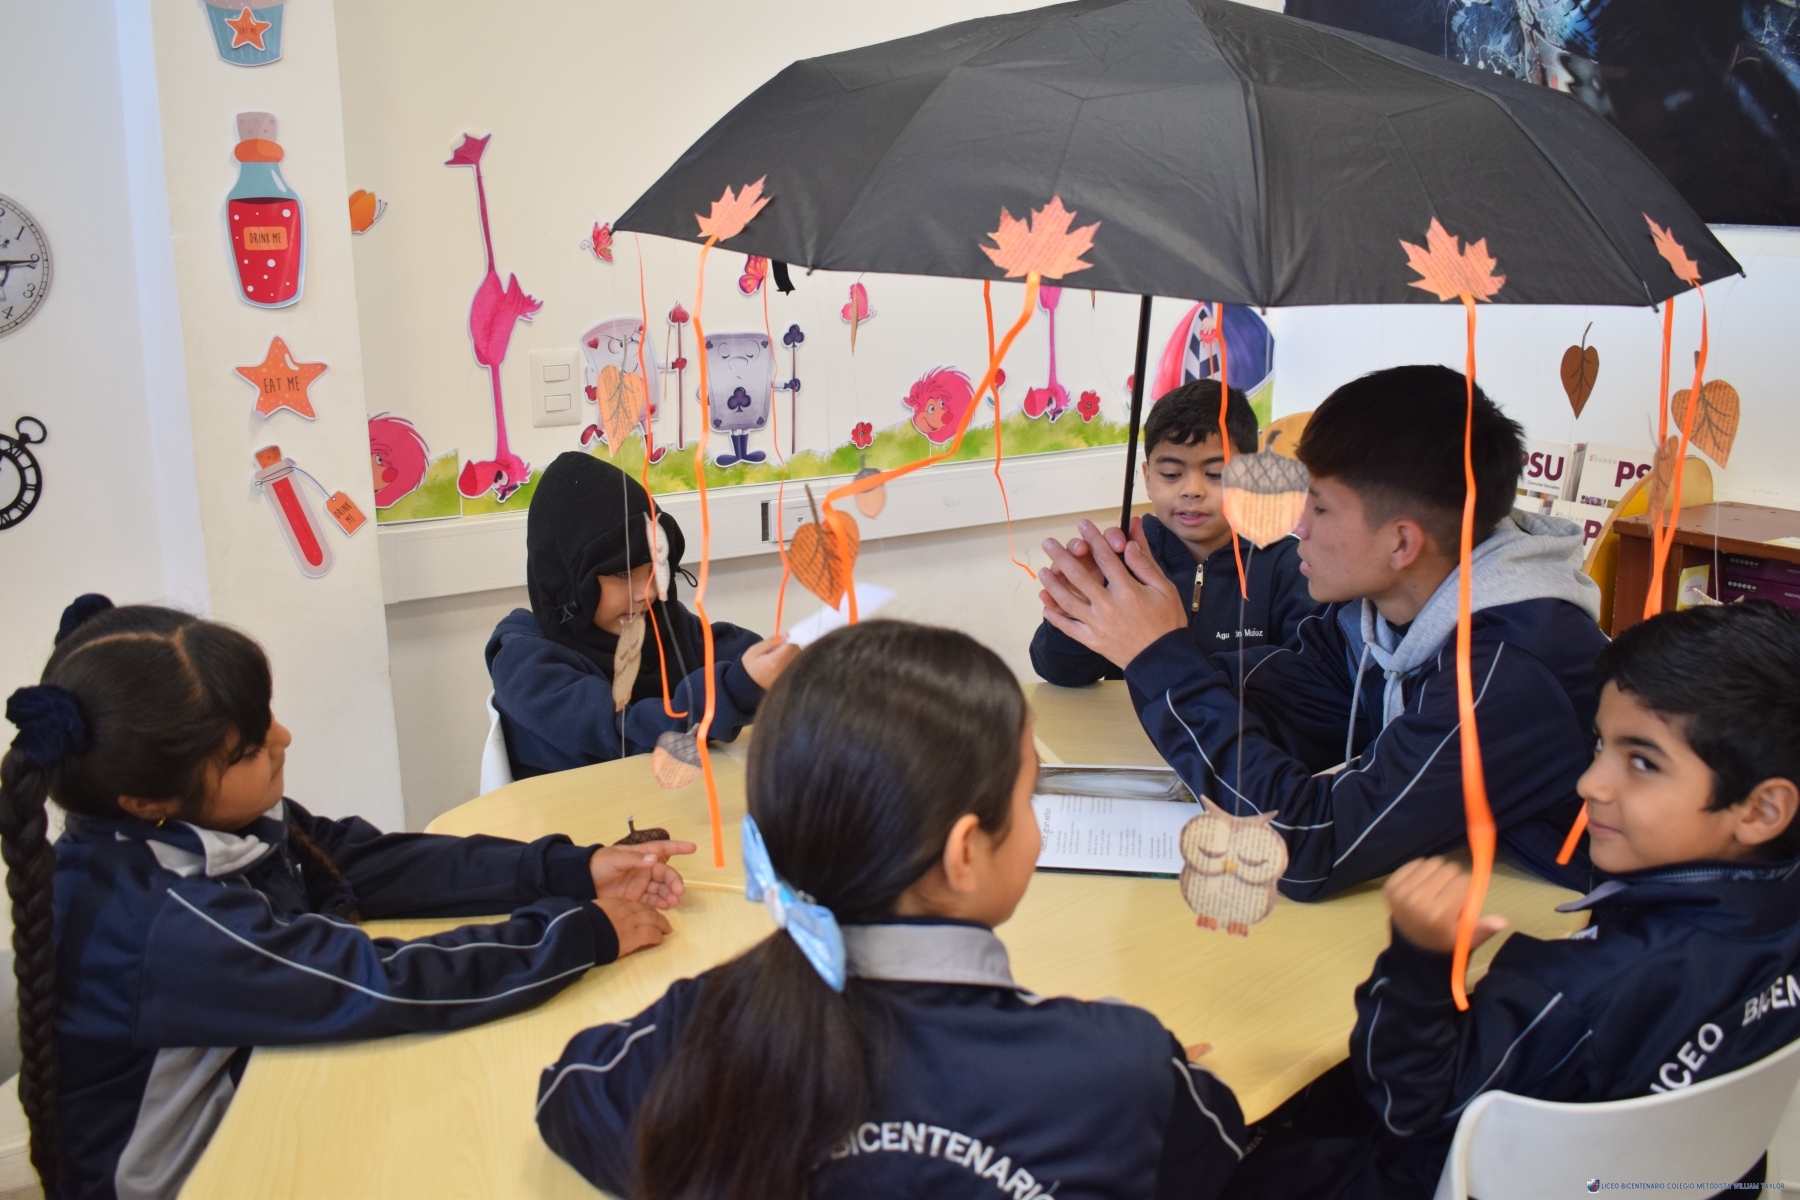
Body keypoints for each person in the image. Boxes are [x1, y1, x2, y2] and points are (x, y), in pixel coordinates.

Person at [0, 596, 692, 1200]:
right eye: (248, 748)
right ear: (146, 799)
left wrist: (573, 869)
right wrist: (579, 932)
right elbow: (372, 981)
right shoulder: (163, 922)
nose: (283, 738)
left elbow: (369, 861)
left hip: (263, 1109)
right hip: (200, 1176)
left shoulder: (209, 824)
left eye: (266, 717)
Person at [535, 621, 1245, 1200]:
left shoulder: (701, 1034)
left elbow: (568, 1092)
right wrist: (1143, 1062)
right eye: (1030, 797)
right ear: (964, 853)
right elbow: (1216, 1153)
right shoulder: (1118, 1072)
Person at [1222, 601, 1800, 1199]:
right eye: (1599, 745)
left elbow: (1406, 1104)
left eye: (1642, 762)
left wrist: (1420, 961)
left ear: (1762, 810)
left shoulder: (1573, 993)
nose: (1590, 783)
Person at [1038, 366, 1607, 899]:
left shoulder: (1507, 670)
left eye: (1320, 508)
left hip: (1573, 922)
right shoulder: (1373, 615)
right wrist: (1124, 625)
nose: (1297, 525)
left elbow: (1310, 844)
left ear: (1401, 542)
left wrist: (1159, 655)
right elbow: (1270, 707)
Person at [486, 452, 798, 778]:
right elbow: (624, 733)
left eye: (654, 570)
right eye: (622, 574)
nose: (646, 593)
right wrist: (735, 690)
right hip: (579, 807)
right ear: (565, 581)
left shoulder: (660, 622)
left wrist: (791, 663)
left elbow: (728, 649)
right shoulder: (527, 666)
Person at [1030, 380, 1316, 687]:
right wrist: (1076, 611)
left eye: (1215, 474)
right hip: (1135, 719)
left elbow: (1306, 673)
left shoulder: (1291, 566)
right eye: (1171, 474)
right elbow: (1060, 672)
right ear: (1148, 478)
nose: (1192, 490)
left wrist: (1172, 663)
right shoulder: (1124, 562)